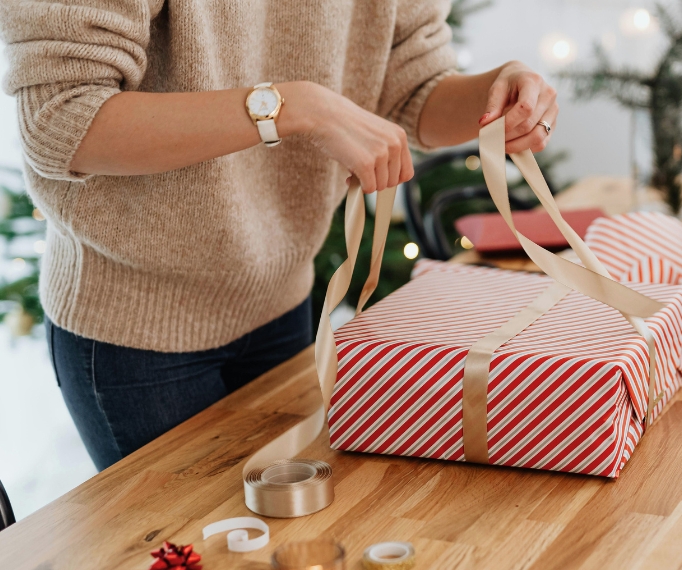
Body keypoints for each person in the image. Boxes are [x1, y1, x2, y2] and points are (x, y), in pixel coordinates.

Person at [0, 0, 558, 471]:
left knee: (282, 552)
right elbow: (62, 120)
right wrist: (296, 107)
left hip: (285, 303)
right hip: (134, 335)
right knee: (196, 566)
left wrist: (495, 97)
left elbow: (414, 87)